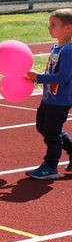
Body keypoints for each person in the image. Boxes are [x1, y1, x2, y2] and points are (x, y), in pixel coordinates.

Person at [24, 9, 72, 179]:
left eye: (54, 25)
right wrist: (37, 78)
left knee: (52, 134)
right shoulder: (55, 47)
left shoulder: (68, 50)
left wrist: (39, 78)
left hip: (60, 101)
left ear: (69, 28)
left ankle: (50, 167)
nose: (49, 28)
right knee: (43, 127)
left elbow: (63, 77)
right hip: (49, 98)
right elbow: (52, 71)